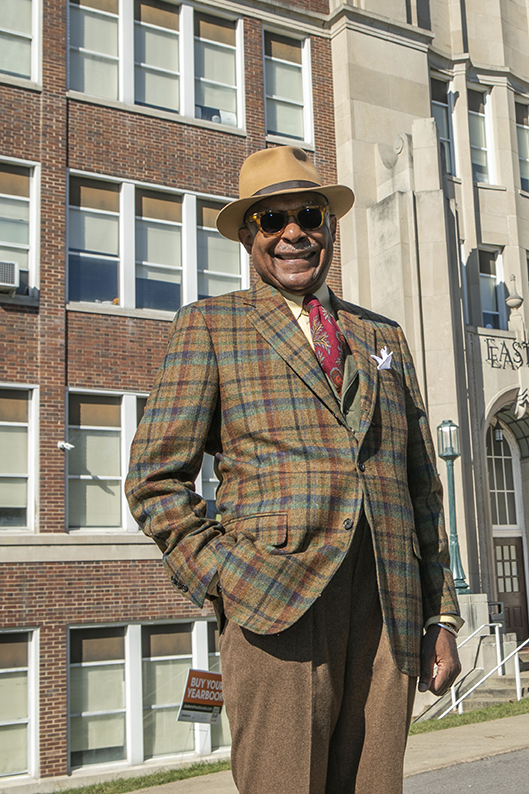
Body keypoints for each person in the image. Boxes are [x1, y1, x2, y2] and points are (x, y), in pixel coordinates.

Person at [126, 145, 462, 793]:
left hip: (386, 611)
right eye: (271, 221)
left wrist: (438, 617)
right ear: (249, 236)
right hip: (274, 607)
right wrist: (224, 577)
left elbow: (423, 487)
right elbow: (154, 478)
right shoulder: (211, 328)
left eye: (309, 215)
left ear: (329, 228)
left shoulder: (383, 336)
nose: (293, 234)